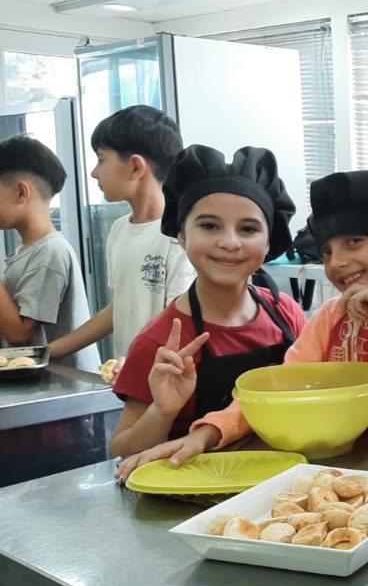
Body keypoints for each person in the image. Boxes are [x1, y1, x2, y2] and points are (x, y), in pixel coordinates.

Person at [118, 169, 368, 470]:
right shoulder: (331, 318)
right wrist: (206, 434)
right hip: (326, 474)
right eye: (328, 252)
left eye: (353, 242)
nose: (338, 262)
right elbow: (276, 392)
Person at [109, 145, 305, 464]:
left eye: (248, 228)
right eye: (210, 226)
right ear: (182, 235)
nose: (230, 242)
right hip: (195, 502)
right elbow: (119, 454)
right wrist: (163, 410)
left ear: (269, 242)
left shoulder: (285, 312)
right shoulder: (159, 343)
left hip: (279, 491)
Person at [49, 105, 194, 364]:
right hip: (129, 380)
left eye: (101, 159)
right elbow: (122, 308)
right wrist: (50, 351)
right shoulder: (118, 229)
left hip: (166, 383)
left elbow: (179, 325)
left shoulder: (181, 236)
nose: (94, 172)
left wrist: (135, 363)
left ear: (136, 167)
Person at [0, 134, 100, 372]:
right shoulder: (28, 251)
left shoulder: (49, 253)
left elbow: (20, 334)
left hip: (64, 390)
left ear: (21, 192)